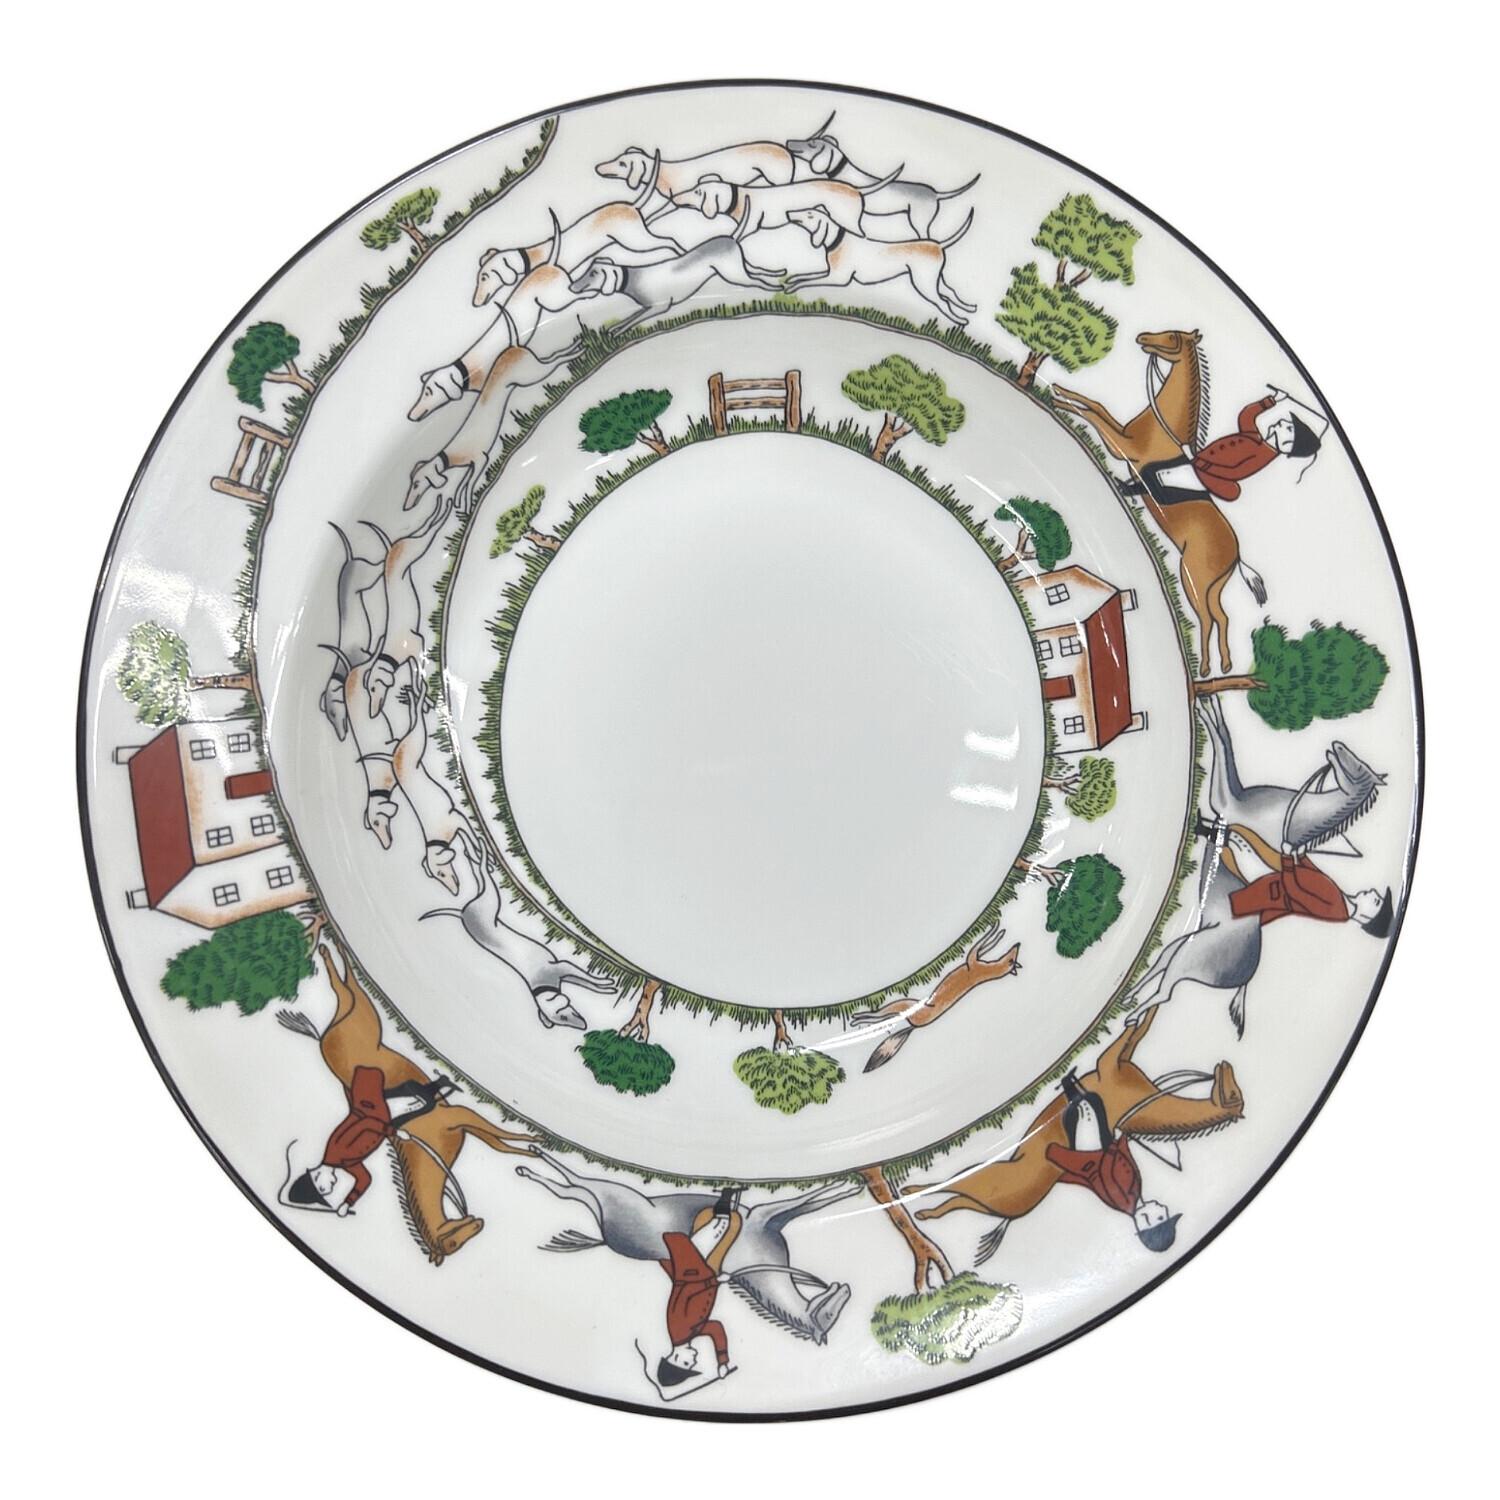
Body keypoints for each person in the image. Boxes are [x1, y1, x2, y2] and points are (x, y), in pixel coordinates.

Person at [280, 1066, 457, 1215]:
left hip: (371, 1109)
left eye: (324, 1189)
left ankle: (439, 1083)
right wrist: (347, 1203)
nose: (332, 1188)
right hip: (382, 1118)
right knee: (421, 1105)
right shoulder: (344, 1163)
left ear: (316, 1176)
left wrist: (393, 1132)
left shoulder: (336, 1150)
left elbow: (366, 1124)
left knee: (416, 1102)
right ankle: (440, 1083)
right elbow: (365, 1179)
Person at [1121, 386, 1327, 507]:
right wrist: (1271, 401)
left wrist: (1197, 460)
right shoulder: (1256, 439)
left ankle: (1129, 491)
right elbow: (1246, 416)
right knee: (1156, 469)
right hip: (1201, 463)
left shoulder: (1262, 456)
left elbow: (1233, 471)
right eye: (1288, 422)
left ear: (1287, 445)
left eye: (1288, 428)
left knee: (1159, 478)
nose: (1283, 422)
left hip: (1205, 475)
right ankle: (1130, 487)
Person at [1044, 1072, 1179, 1253]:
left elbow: (1107, 1171)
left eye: (1162, 1216)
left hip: (1093, 1154)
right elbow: (1126, 1160)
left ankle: (1067, 1085)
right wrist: (1124, 1139)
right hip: (1106, 1149)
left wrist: (1119, 1143)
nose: (1163, 1207)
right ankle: (1070, 1085)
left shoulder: (1123, 1199)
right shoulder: (1135, 1195)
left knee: (1089, 1108)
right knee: (1098, 1103)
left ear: (1147, 1221)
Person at [1210, 819, 1392, 936]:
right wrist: (1302, 856)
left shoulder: (1336, 909)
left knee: (1240, 845)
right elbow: (1315, 877)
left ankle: (1205, 831)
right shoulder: (1342, 901)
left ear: (1366, 917)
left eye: (1376, 901)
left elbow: (1296, 893)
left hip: (1273, 889)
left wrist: (1288, 859)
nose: (1373, 892)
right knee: (1240, 843)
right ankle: (1209, 831)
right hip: (1279, 880)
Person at [655, 1188, 743, 1389]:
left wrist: (716, 1282)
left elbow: (686, 1293)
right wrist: (722, 1362)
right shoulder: (689, 1333)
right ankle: (726, 1197)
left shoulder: (678, 1328)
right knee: (718, 1227)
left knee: (721, 1225)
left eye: (687, 1364)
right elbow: (716, 1329)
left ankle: (726, 1194)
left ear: (675, 1358)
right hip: (698, 1270)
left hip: (692, 1268)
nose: (693, 1361)